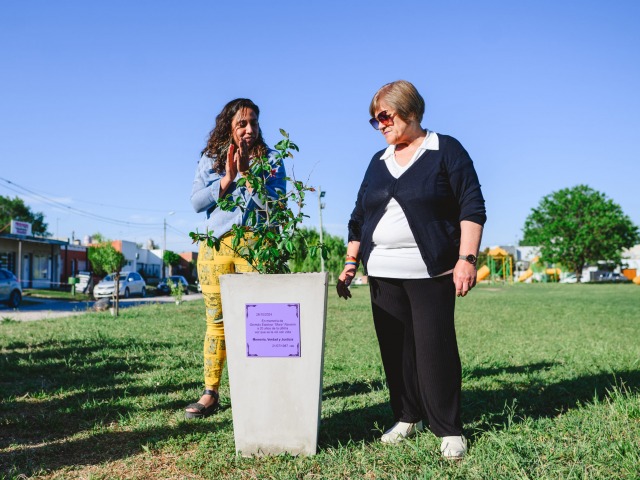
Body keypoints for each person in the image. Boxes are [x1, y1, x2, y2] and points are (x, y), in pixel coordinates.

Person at [337, 80, 486, 459]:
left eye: (384, 116)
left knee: (435, 350)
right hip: (382, 272)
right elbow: (358, 218)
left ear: (411, 111)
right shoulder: (379, 161)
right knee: (395, 351)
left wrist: (466, 260)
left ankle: (448, 428)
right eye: (375, 120)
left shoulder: (445, 150)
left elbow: (472, 206)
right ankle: (407, 416)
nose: (380, 124)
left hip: (431, 271)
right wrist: (351, 263)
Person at [186, 98, 285, 419]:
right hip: (215, 249)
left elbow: (278, 207)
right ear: (228, 124)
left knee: (260, 321)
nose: (249, 129)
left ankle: (260, 390)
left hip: (256, 248)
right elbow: (197, 202)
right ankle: (210, 393)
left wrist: (250, 176)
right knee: (216, 323)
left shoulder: (271, 160)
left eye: (254, 123)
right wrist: (228, 180)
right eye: (242, 123)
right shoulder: (210, 158)